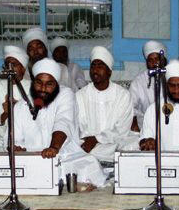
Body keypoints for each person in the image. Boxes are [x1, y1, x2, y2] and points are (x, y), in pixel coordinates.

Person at [9, 57, 108, 190]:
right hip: (32, 158)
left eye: (49, 84)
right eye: (39, 83)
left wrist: (54, 148)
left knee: (89, 164)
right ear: (33, 82)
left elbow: (63, 122)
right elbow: (12, 138)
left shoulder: (65, 95)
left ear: (56, 84)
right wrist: (16, 148)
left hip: (64, 154)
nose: (43, 89)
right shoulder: (21, 106)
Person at [76, 46, 134, 162]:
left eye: (100, 66)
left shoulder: (123, 95)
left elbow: (122, 129)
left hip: (115, 144)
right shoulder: (80, 95)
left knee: (132, 146)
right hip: (90, 145)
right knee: (76, 147)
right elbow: (82, 127)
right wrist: (92, 141)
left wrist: (97, 139)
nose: (95, 70)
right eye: (93, 66)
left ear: (109, 72)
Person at [129, 40, 167, 132]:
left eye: (157, 59)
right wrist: (134, 125)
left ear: (164, 59)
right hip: (144, 127)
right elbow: (129, 107)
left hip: (170, 125)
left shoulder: (173, 77)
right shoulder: (138, 82)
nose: (154, 63)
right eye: (150, 60)